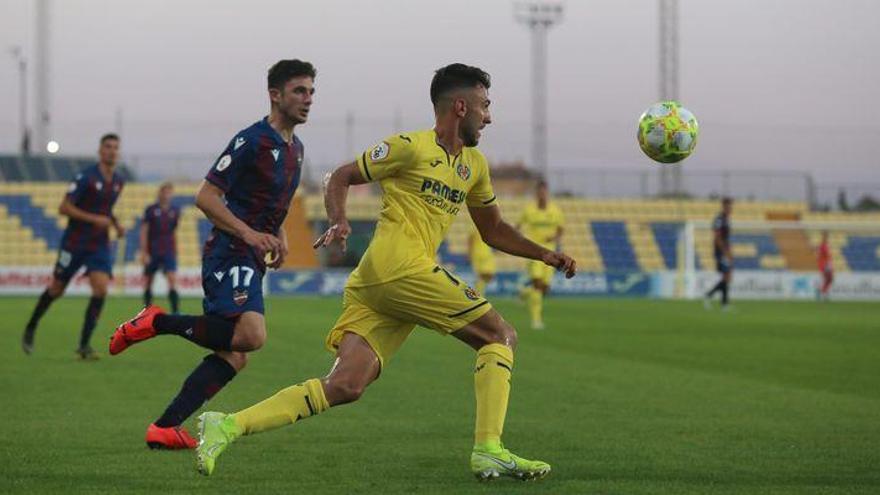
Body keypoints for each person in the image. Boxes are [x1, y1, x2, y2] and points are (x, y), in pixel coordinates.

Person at [194, 63, 577, 482]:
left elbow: (494, 229)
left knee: (345, 385)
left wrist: (546, 255)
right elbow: (340, 176)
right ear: (461, 107)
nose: (489, 117)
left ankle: (227, 425)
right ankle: (488, 449)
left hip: (378, 283)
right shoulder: (410, 146)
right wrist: (338, 220)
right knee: (500, 335)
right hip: (400, 267)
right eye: (485, 106)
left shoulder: (475, 166)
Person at [107, 59, 314, 449]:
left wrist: (280, 235)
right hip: (229, 251)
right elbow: (205, 196)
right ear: (275, 95)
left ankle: (164, 428)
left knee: (234, 355)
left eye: (311, 92)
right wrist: (250, 234)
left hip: (250, 253)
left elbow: (272, 204)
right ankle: (157, 321)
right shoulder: (251, 141)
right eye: (299, 91)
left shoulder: (296, 149)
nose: (308, 99)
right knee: (251, 336)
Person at [21, 133, 126, 360]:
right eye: (108, 146)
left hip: (98, 244)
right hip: (74, 243)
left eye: (115, 147)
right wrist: (95, 219)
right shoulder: (85, 177)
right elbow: (64, 208)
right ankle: (31, 325)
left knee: (101, 289)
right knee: (57, 289)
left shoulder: (118, 181)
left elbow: (106, 210)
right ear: (100, 150)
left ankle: (84, 345)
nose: (112, 151)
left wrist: (116, 224)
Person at [517, 180, 564, 329]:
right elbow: (517, 226)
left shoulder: (555, 210)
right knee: (537, 284)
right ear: (536, 193)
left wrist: (554, 238)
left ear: (547, 192)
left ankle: (524, 293)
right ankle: (536, 320)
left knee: (544, 288)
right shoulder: (529, 210)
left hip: (551, 252)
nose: (542, 194)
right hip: (535, 252)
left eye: (544, 191)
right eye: (539, 191)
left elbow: (560, 229)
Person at [140, 182, 181, 313]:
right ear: (160, 193)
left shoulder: (175, 211)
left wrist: (175, 250)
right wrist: (144, 252)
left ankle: (175, 312)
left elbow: (173, 231)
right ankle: (146, 311)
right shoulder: (151, 210)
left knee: (172, 279)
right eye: (165, 192)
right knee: (148, 281)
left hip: (168, 250)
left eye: (170, 192)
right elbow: (144, 231)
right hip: (153, 250)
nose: (167, 195)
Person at [704, 197, 733, 310]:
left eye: (731, 206)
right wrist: (725, 252)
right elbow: (717, 237)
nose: (730, 208)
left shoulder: (727, 219)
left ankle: (722, 303)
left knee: (727, 276)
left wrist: (730, 251)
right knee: (727, 275)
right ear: (724, 206)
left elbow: (726, 238)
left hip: (725, 250)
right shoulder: (719, 219)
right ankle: (715, 299)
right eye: (728, 206)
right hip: (720, 251)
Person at [469, 223, 496, 295]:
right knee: (482, 276)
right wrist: (469, 253)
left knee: (487, 276)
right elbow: (470, 240)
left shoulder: (488, 227)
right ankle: (478, 294)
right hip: (480, 254)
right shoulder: (476, 228)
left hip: (484, 254)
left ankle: (478, 293)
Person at [817, 231, 833, 301]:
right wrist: (827, 264)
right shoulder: (823, 246)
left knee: (829, 279)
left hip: (826, 264)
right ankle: (823, 293)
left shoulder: (824, 245)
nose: (826, 238)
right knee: (828, 279)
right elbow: (823, 255)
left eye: (827, 236)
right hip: (824, 265)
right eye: (825, 236)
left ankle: (822, 292)